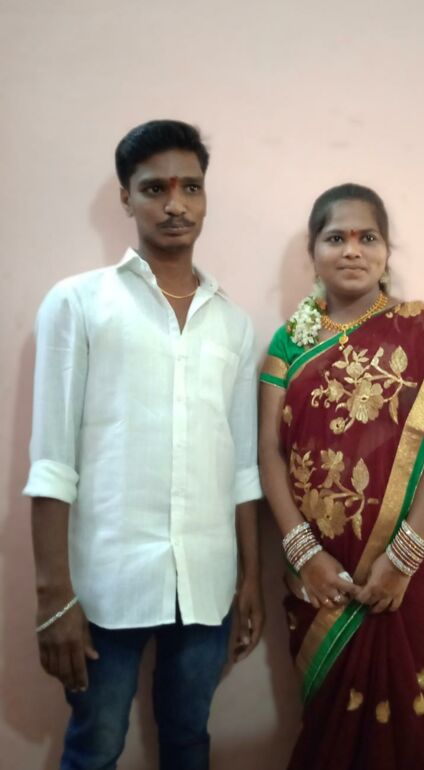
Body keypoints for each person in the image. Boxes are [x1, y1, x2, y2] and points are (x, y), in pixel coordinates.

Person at [24, 119, 264, 770]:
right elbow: (52, 463)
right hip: (106, 584)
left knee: (189, 740)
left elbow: (242, 466)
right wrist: (53, 598)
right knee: (95, 748)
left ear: (206, 197)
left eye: (191, 187)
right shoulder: (78, 303)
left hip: (207, 579)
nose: (175, 204)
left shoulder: (233, 324)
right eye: (155, 188)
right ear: (126, 199)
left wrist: (250, 578)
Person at [259, 183, 424, 770]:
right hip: (322, 570)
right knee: (332, 727)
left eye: (368, 237)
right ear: (314, 252)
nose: (352, 250)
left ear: (387, 252)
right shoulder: (288, 346)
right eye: (336, 238)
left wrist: (402, 558)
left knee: (414, 720)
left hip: (415, 561)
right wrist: (304, 552)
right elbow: (269, 454)